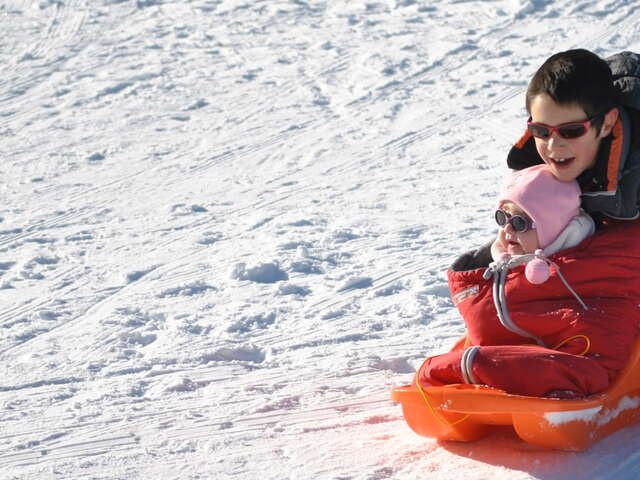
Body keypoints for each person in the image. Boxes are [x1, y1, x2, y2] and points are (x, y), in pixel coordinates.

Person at [416, 165, 640, 398]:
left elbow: (594, 361)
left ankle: (471, 369)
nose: (507, 230)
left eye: (521, 222)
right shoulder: (498, 272)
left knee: (439, 371)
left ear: (554, 226)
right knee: (438, 370)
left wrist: (475, 365)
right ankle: (472, 369)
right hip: (515, 361)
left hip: (569, 368)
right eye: (503, 218)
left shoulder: (591, 271)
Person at [506, 49, 640, 224]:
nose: (553, 145)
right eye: (541, 131)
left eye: (571, 131)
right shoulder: (529, 165)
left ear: (607, 124)